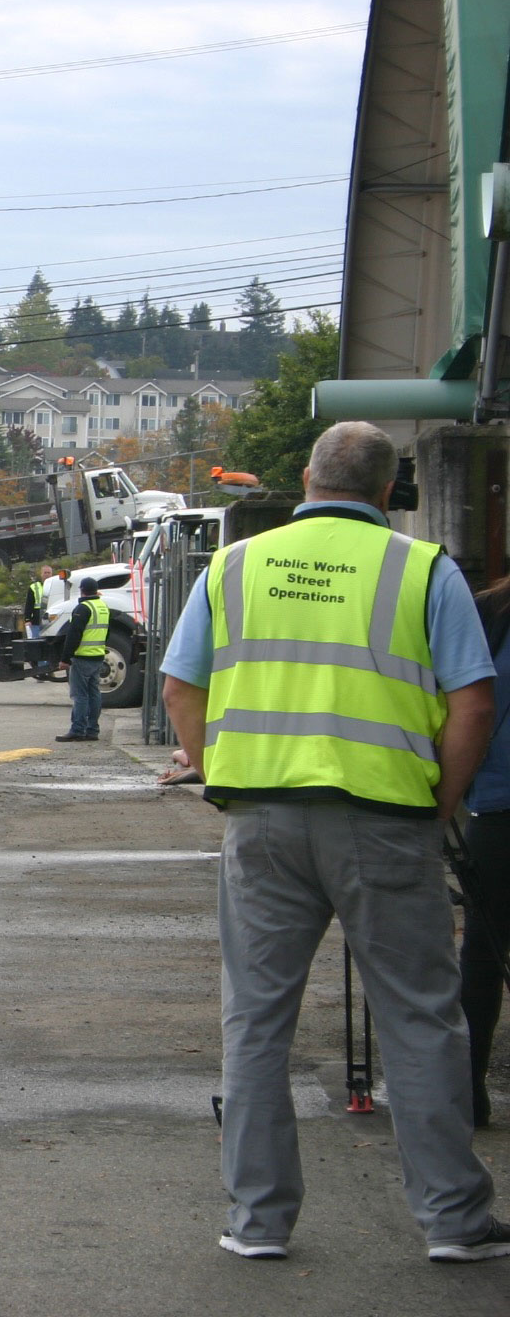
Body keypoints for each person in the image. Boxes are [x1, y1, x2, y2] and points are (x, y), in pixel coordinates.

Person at [158, 421, 508, 1264]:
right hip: (388, 823)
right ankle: (454, 1222)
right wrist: (439, 803)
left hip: (263, 823)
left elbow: (179, 687)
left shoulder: (233, 565)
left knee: (255, 1021)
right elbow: (473, 704)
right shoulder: (424, 569)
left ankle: (258, 1223)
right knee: (423, 1021)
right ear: (390, 492)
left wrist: (224, 779)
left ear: (308, 476)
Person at [461, 575, 510, 1129]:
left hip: (497, 809)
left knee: (483, 955)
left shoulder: (488, 613)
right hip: (496, 801)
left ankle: (468, 1090)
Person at [54, 575, 109, 742]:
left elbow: (73, 635)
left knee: (80, 696)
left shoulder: (83, 608)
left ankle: (77, 729)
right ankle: (93, 730)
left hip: (82, 657)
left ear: (82, 591)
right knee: (94, 694)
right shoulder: (103, 606)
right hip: (98, 656)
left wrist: (65, 658)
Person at [26, 564, 54, 638]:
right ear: (41, 574)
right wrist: (27, 620)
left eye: (49, 573)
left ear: (52, 574)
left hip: (52, 621)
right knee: (36, 643)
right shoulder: (34, 587)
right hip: (36, 622)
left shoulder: (56, 586)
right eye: (45, 573)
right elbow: (29, 604)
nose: (47, 575)